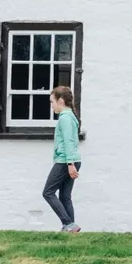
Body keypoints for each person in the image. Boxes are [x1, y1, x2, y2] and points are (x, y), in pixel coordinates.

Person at [43, 86, 82, 233]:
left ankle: (68, 224)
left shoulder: (65, 118)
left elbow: (68, 142)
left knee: (48, 192)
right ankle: (71, 229)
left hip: (65, 161)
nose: (51, 105)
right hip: (71, 160)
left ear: (60, 101)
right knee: (65, 196)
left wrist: (70, 164)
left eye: (52, 101)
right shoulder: (71, 116)